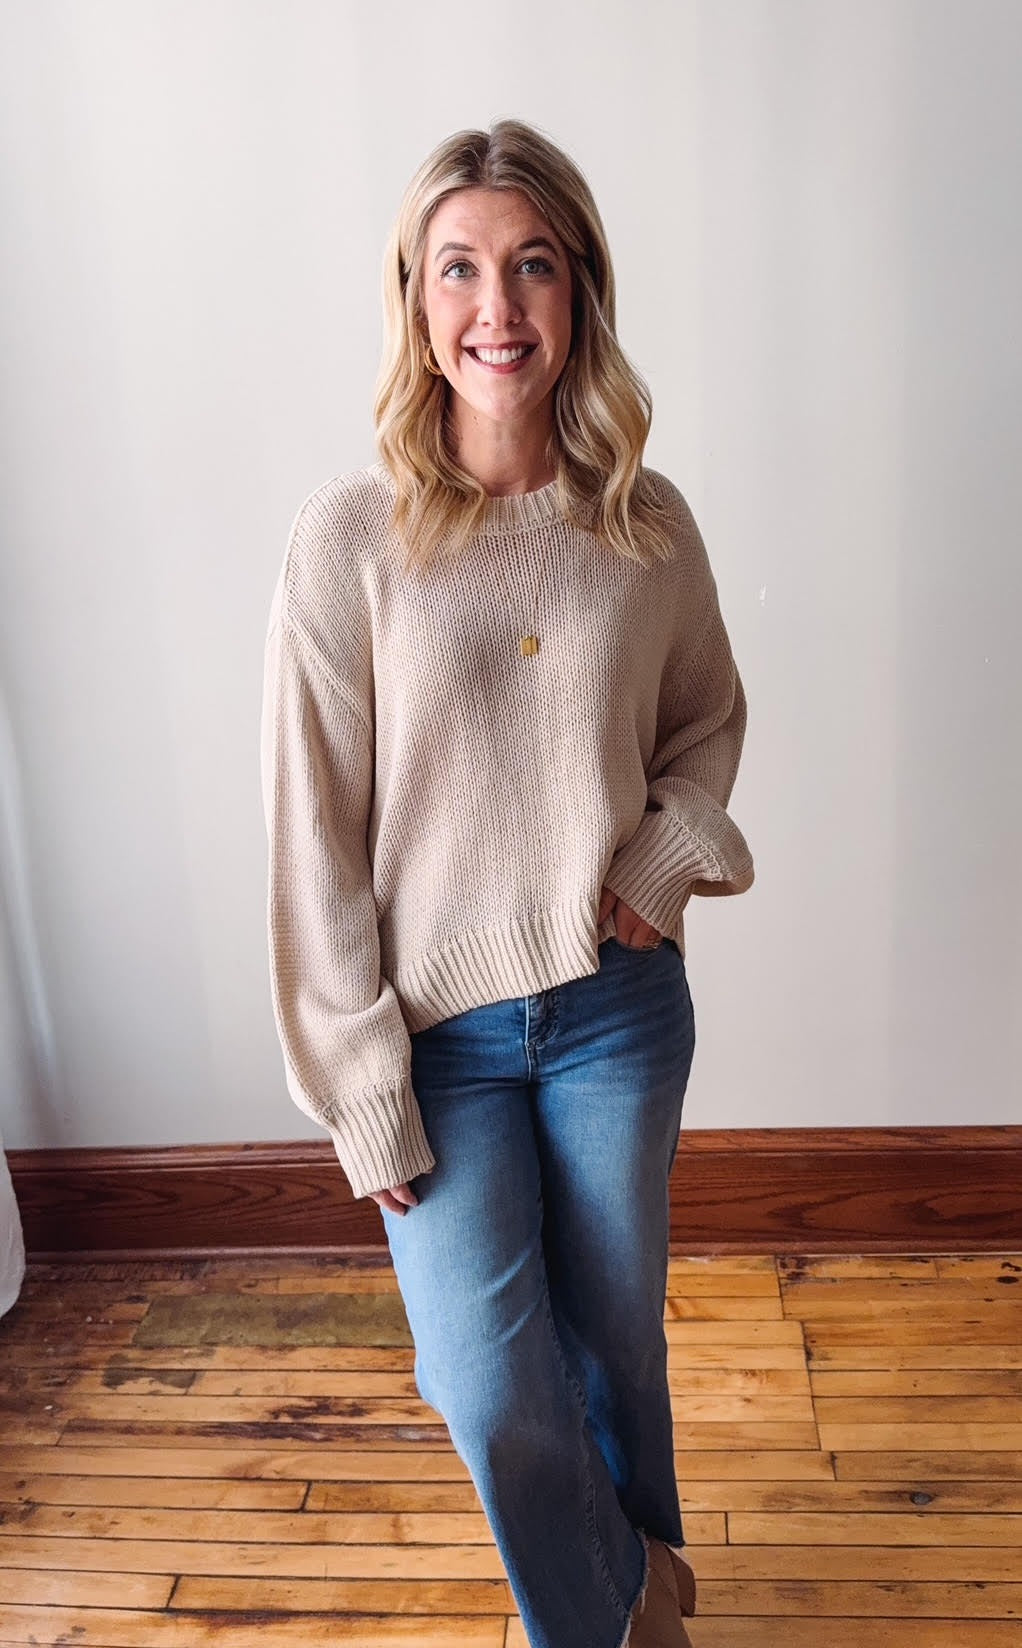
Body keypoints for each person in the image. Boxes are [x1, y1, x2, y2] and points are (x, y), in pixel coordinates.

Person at [261, 118, 754, 1648]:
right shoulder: (350, 543)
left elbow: (705, 723)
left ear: (579, 293)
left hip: (614, 1010)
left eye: (533, 265)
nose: (498, 305)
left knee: (611, 1342)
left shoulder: (643, 522)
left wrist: (665, 857)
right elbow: (312, 837)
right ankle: (631, 1591)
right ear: (415, 297)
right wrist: (357, 1082)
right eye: (461, 267)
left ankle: (611, 1629)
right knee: (483, 1376)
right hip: (435, 1038)